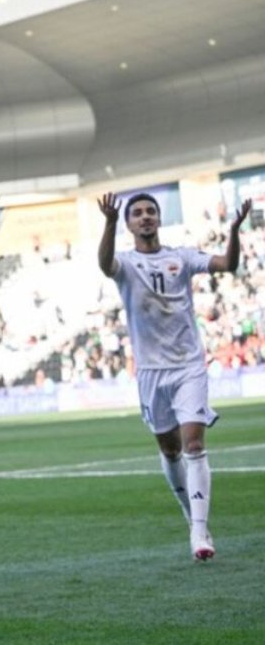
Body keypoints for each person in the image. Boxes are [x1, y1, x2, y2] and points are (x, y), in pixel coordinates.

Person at [97, 191, 250, 561]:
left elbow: (227, 264)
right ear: (130, 223)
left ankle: (200, 529)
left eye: (151, 211)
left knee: (193, 445)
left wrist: (233, 230)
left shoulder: (180, 257)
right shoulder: (126, 263)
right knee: (170, 449)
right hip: (151, 371)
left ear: (159, 219)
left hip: (188, 366)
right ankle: (189, 512)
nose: (145, 217)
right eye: (138, 213)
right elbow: (104, 264)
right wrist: (109, 222)